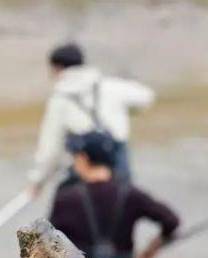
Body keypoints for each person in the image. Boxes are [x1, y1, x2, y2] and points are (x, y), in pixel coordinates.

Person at [49, 129, 180, 258]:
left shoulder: (66, 199)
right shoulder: (131, 195)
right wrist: (151, 249)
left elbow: (49, 248)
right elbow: (171, 221)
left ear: (83, 159)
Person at [29, 42, 154, 197]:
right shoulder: (110, 86)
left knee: (75, 211)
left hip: (84, 173)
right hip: (119, 167)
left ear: (58, 68)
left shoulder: (60, 100)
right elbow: (146, 97)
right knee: (122, 211)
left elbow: (50, 149)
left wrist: (38, 182)